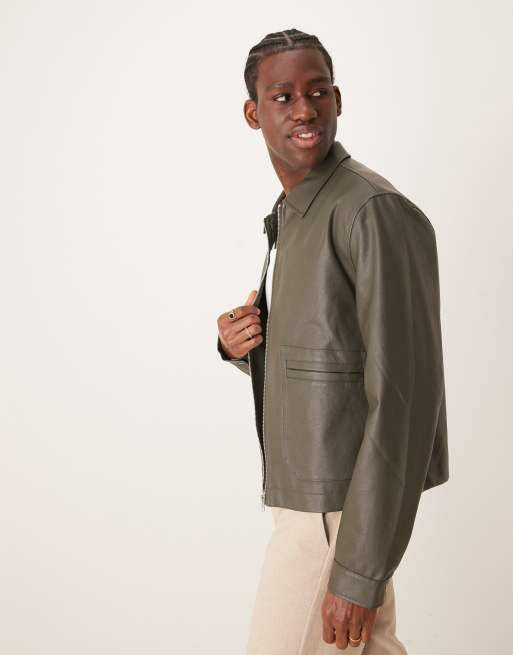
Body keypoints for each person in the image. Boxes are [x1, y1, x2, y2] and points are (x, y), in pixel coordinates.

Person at [216, 29, 449, 654]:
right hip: (311, 502)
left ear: (338, 100)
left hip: (337, 514)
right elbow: (332, 362)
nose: (305, 109)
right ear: (253, 113)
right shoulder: (296, 209)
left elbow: (403, 399)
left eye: (318, 92)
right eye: (283, 96)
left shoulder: (371, 211)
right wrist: (244, 347)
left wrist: (358, 571)